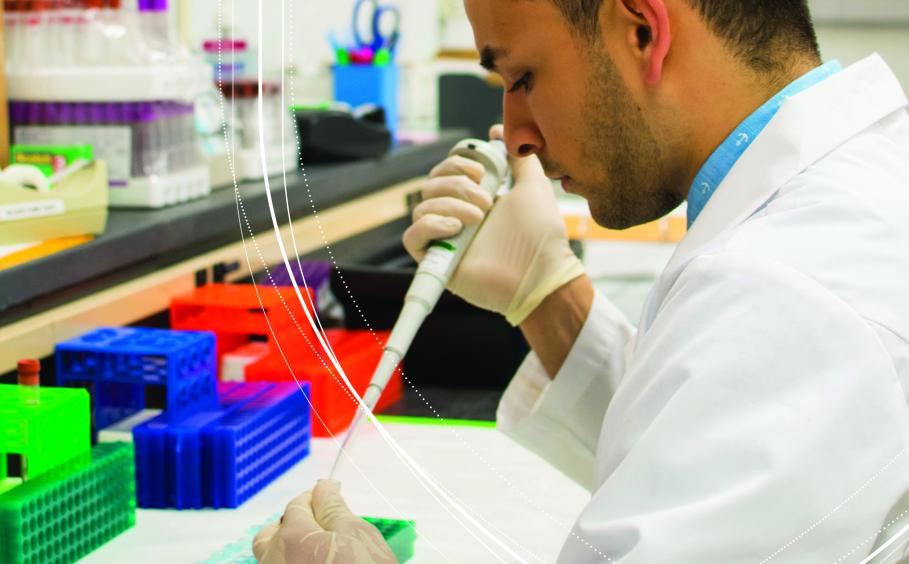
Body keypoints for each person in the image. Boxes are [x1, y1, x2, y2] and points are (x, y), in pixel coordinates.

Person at [256, 0, 909, 561]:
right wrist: (543, 297)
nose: (517, 136)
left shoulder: (788, 292)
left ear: (642, 32)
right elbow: (695, 444)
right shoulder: (846, 192)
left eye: (522, 77)